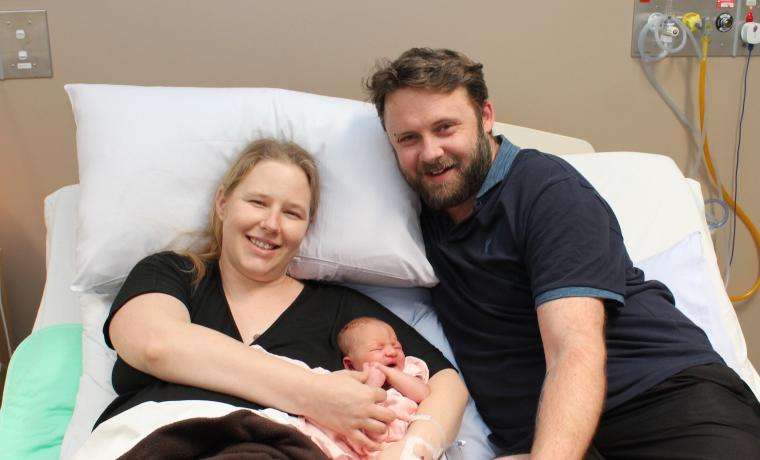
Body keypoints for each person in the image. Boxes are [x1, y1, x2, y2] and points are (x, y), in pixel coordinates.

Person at [365, 48, 760, 459]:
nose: (430, 153)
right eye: (408, 139)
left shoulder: (545, 192)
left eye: (445, 127)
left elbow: (574, 348)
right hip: (543, 439)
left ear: (485, 117)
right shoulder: (412, 221)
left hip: (661, 403)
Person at [85, 138, 468, 459]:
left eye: (291, 213)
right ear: (223, 204)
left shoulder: (339, 310)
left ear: (307, 228)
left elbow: (447, 382)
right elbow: (155, 343)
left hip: (277, 449)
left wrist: (412, 448)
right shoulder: (175, 273)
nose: (271, 224)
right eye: (257, 202)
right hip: (154, 439)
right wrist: (316, 396)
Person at [273, 316, 435, 458]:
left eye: (397, 346)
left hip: (404, 444)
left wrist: (389, 372)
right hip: (367, 446)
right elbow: (362, 417)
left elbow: (423, 394)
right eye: (377, 348)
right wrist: (373, 385)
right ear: (350, 365)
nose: (391, 351)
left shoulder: (409, 369)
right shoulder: (352, 383)